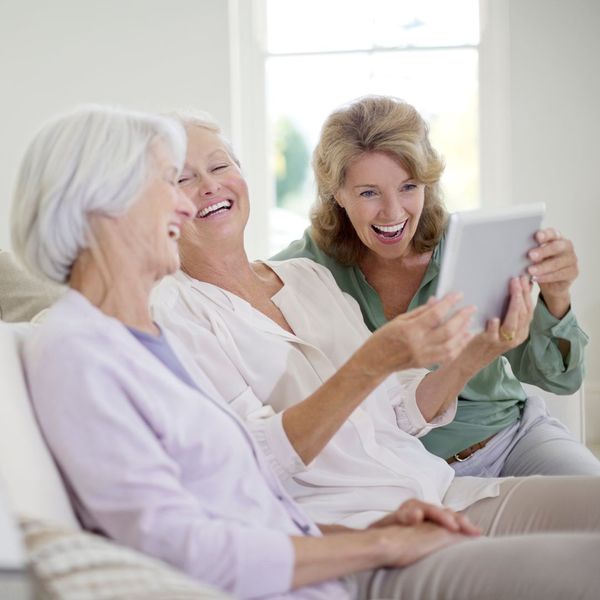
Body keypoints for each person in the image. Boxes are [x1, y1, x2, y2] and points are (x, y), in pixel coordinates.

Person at [12, 106, 600, 600]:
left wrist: (477, 352)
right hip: (359, 539)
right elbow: (221, 507)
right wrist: (374, 539)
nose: (189, 201)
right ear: (99, 205)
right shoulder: (119, 334)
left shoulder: (297, 282)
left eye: (219, 167)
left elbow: (374, 425)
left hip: (414, 500)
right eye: (172, 182)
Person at [273, 95, 599, 478]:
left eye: (408, 187)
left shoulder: (471, 247)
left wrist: (556, 295)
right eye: (368, 192)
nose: (393, 212)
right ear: (337, 194)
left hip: (512, 439)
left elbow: (560, 379)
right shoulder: (301, 270)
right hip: (402, 471)